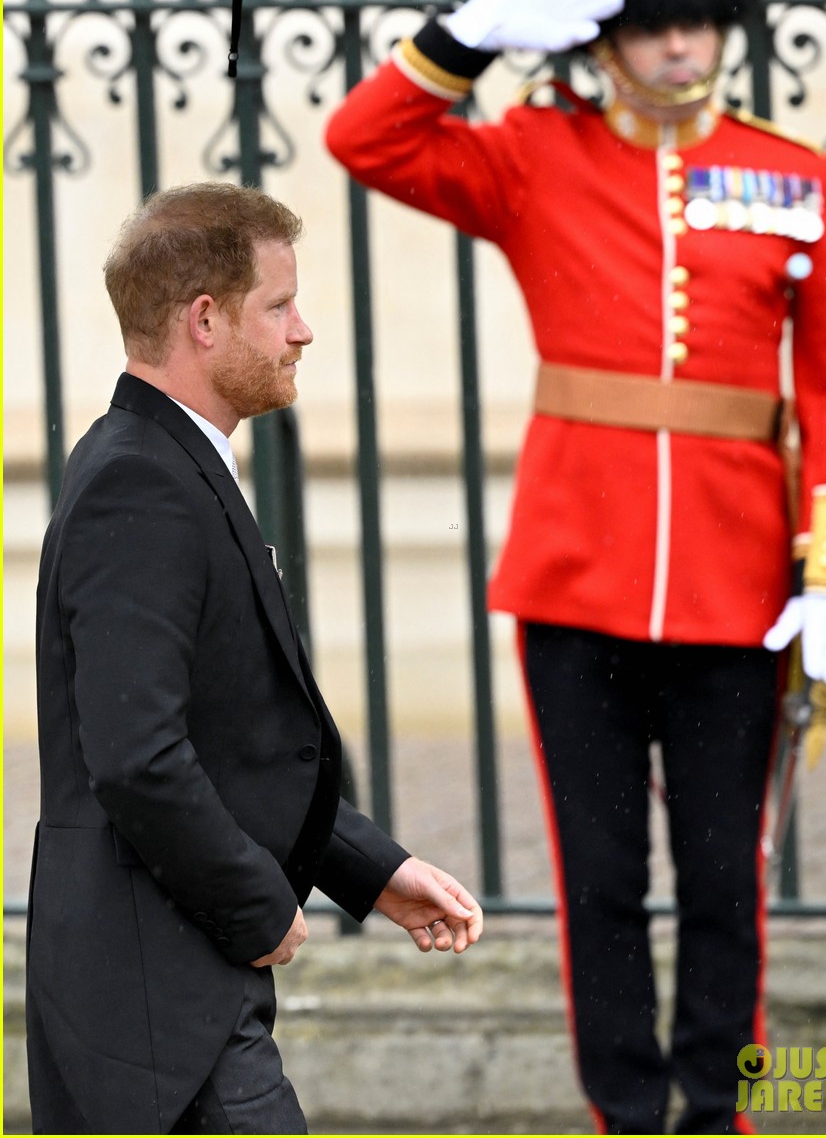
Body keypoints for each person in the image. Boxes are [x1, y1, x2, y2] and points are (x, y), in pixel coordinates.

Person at [325, 0, 826, 1133]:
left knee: (727, 882)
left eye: (698, 20)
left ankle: (715, 1103)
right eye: (655, 21)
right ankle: (623, 1110)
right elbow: (362, 139)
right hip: (577, 581)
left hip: (742, 587)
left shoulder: (793, 177)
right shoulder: (534, 155)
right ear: (607, 33)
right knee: (604, 880)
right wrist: (461, 39)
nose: (683, 44)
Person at [26, 181, 484, 1135]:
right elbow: (138, 756)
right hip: (150, 1015)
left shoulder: (165, 461)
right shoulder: (139, 486)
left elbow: (227, 737)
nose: (304, 330)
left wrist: (371, 867)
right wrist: (257, 906)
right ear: (204, 319)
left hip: (179, 993)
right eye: (279, 305)